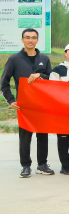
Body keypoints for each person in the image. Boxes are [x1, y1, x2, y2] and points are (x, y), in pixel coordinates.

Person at [1, 28, 53, 178]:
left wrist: (40, 75)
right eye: (27, 37)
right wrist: (11, 100)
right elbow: (4, 83)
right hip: (24, 105)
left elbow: (52, 78)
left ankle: (42, 165)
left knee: (42, 135)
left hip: (42, 104)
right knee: (25, 137)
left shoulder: (44, 58)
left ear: (38, 40)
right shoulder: (14, 59)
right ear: (22, 40)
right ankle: (25, 166)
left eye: (33, 37)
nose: (30, 40)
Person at [48, 43, 69, 175]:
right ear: (65, 53)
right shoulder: (58, 69)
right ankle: (65, 165)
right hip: (62, 109)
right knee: (63, 138)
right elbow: (53, 89)